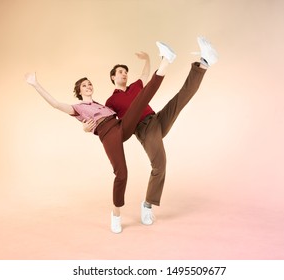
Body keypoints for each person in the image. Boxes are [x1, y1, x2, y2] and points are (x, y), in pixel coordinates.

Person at [25, 41, 176, 233]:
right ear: (79, 91)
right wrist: (36, 84)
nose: (88, 86)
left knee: (140, 100)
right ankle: (116, 215)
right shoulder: (78, 108)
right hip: (108, 134)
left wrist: (146, 61)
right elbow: (55, 104)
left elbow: (125, 102)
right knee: (122, 174)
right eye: (84, 86)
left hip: (120, 125)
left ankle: (165, 61)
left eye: (89, 84)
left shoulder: (103, 105)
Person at [84, 36, 218, 226]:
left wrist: (147, 59)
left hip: (156, 119)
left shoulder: (136, 87)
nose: (124, 74)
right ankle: (147, 206)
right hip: (143, 129)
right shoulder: (111, 101)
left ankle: (204, 63)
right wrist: (85, 128)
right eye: (120, 72)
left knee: (181, 98)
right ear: (113, 76)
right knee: (160, 165)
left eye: (126, 72)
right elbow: (101, 118)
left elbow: (146, 75)